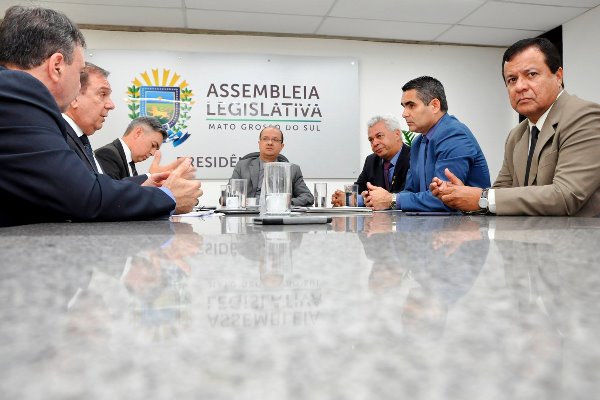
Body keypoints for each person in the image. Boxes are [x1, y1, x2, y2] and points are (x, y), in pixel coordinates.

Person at [0, 5, 201, 227]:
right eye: (79, 72)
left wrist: (145, 183)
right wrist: (169, 197)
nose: (78, 85)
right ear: (57, 66)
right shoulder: (16, 92)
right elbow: (82, 195)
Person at [431, 38, 600, 216]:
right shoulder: (517, 134)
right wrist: (461, 196)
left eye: (532, 74)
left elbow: (566, 196)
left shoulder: (584, 117)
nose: (520, 86)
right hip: (525, 239)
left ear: (558, 76)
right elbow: (501, 191)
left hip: (579, 241)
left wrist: (482, 198)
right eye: (512, 79)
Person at [365, 76, 490, 211]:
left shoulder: (453, 134)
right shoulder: (418, 142)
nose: (404, 114)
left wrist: (392, 200)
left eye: (411, 105)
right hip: (433, 226)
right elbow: (411, 191)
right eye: (404, 106)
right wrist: (373, 199)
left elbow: (445, 198)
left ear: (434, 106)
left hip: (469, 226)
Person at [331, 115, 410, 207]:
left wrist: (359, 199)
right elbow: (358, 189)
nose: (375, 143)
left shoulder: (413, 157)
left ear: (397, 134)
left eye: (379, 136)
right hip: (378, 220)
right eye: (371, 140)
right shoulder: (371, 160)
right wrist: (342, 198)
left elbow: (405, 195)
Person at [230, 126, 313, 206]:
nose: (270, 143)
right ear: (259, 143)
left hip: (278, 214)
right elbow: (228, 195)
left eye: (275, 140)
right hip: (248, 215)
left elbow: (308, 197)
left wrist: (286, 203)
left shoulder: (293, 170)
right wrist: (241, 201)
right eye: (265, 139)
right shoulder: (242, 166)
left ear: (281, 146)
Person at [95, 116, 167, 180]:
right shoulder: (107, 154)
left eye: (156, 149)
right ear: (138, 133)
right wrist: (150, 176)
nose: (153, 153)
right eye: (153, 145)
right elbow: (113, 192)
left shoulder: (129, 162)